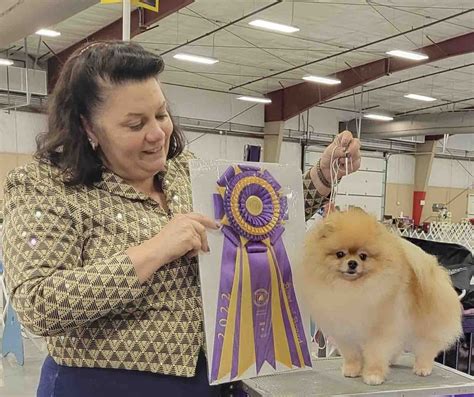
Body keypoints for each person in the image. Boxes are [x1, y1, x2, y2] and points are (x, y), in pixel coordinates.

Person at [1, 41, 361, 397]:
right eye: (134, 124)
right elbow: (37, 304)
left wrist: (323, 176)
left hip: (212, 380)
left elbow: (262, 216)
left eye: (161, 114)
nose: (157, 134)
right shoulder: (44, 186)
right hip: (102, 384)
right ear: (88, 128)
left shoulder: (185, 171)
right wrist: (154, 251)